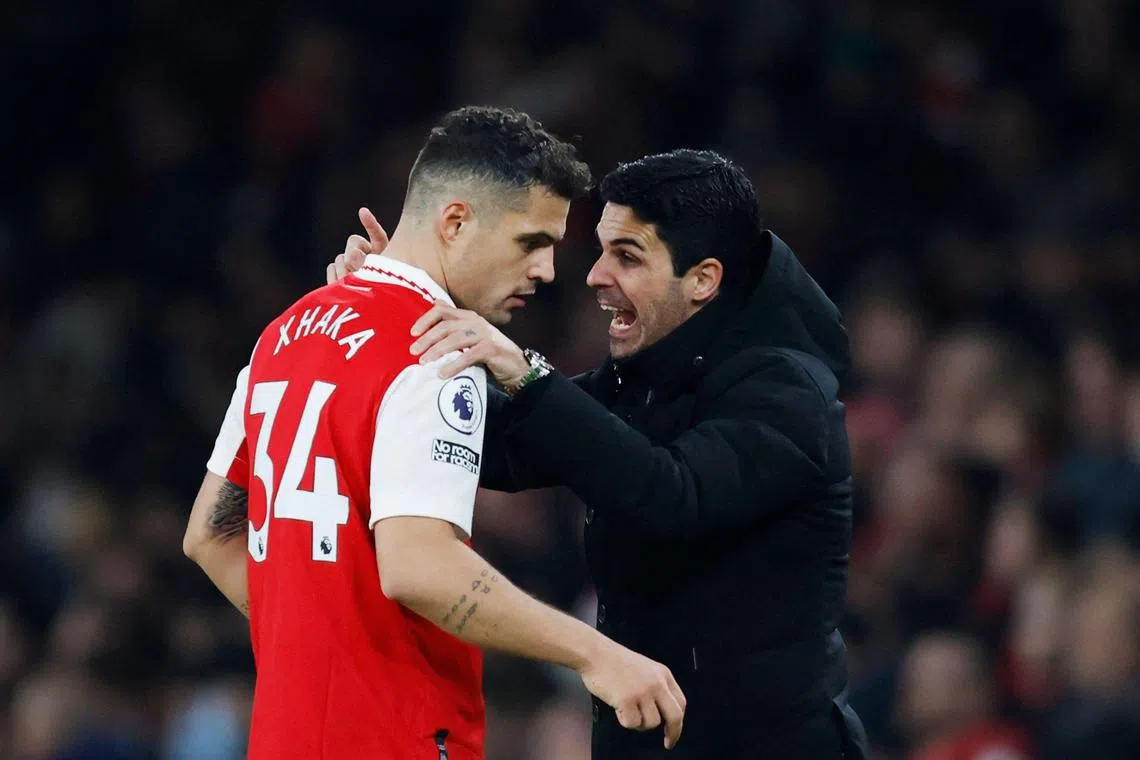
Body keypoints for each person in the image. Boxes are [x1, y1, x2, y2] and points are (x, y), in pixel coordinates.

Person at [182, 106, 686, 760]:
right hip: (400, 740)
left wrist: (328, 651)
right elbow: (419, 566)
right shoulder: (438, 349)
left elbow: (210, 535)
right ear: (455, 221)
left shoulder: (283, 332)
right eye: (531, 242)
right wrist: (594, 654)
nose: (546, 272)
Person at [333, 148, 869, 758]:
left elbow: (671, 495)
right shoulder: (643, 378)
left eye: (627, 256)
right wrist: (389, 322)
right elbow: (495, 448)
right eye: (601, 250)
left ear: (703, 279)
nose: (593, 276)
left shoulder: (788, 391)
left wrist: (526, 373)